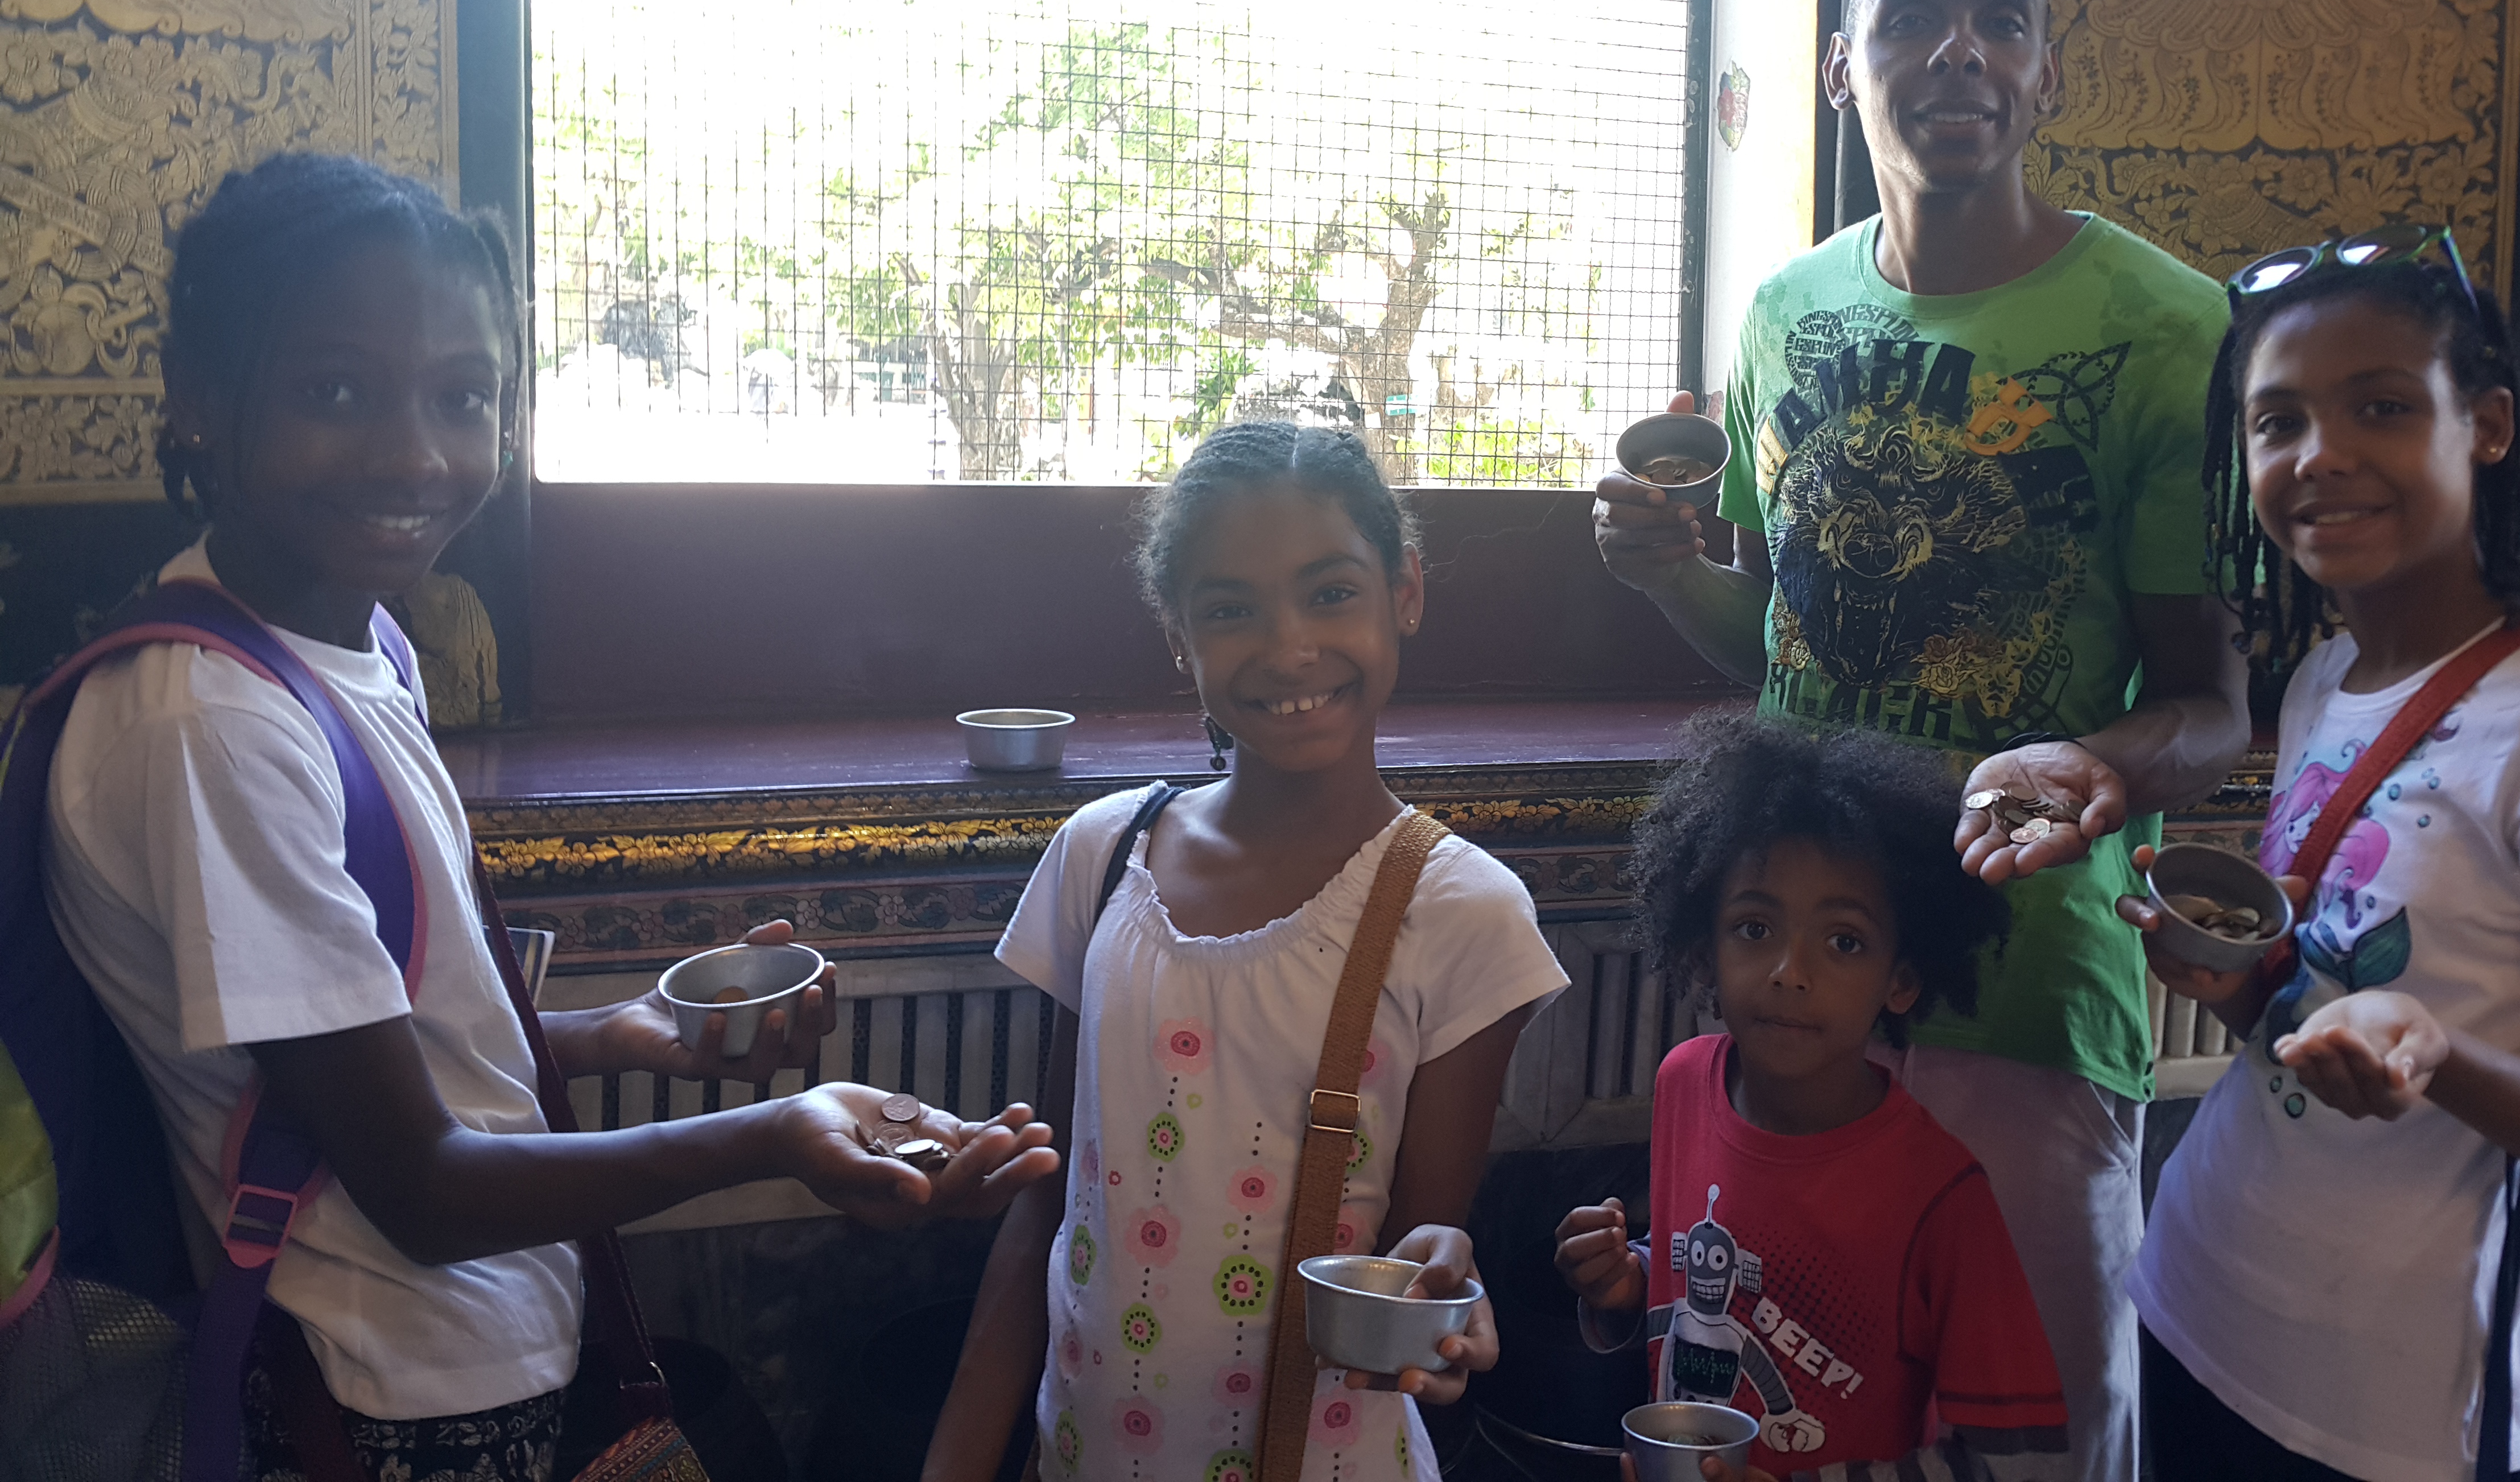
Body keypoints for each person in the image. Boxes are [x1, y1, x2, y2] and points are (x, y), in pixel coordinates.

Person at [46, 153, 1056, 1482]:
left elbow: (373, 1052)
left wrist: (618, 1033)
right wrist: (770, 1137)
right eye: (334, 391)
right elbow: (421, 1189)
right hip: (383, 1386)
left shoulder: (348, 646)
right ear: (195, 397)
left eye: (464, 397)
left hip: (466, 1340)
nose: (414, 452)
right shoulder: (217, 724)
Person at [1589, 0, 2248, 1482]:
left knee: (2036, 1448)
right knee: (1781, 1415)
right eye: (1912, 18)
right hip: (1802, 981)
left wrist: (2097, 768)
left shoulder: (2168, 327)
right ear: (1842, 67)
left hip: (2024, 991)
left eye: (2001, 19)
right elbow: (1781, 646)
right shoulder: (1787, 315)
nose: (1959, 51)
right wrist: (1664, 574)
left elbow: (2216, 707)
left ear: (2046, 71)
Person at [2126, 231, 2520, 1481]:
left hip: (2392, 1410)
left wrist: (2439, 1055)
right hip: (2196, 1297)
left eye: (2379, 407)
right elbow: (2320, 1021)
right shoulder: (2324, 679)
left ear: (2484, 425)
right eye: (2278, 423)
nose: (2319, 455)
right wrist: (2245, 989)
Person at [927, 422, 1571, 1482]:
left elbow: (1419, 1255)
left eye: (1331, 593)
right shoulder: (1102, 856)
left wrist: (1439, 1301)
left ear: (1405, 592)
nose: (1289, 648)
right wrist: (954, 1460)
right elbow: (1050, 1197)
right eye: (1230, 609)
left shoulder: (1463, 913)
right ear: (1178, 636)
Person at [1554, 713, 2068, 1480]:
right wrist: (1628, 1279)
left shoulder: (1940, 1194)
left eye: (1844, 942)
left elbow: (2020, 1463)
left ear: (1901, 980)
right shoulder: (1684, 1083)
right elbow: (1721, 1271)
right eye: (1754, 928)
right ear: (1704, 949)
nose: (1790, 973)